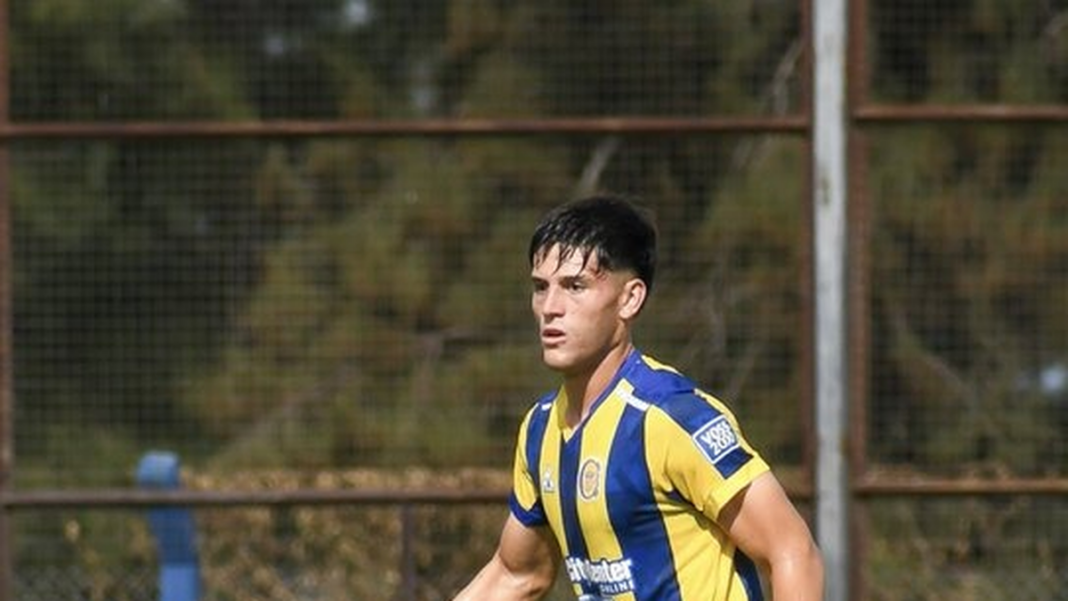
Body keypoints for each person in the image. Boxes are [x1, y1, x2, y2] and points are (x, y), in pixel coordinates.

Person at [452, 194, 824, 601]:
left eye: (575, 286)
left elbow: (793, 552)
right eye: (541, 288)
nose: (551, 308)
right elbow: (517, 575)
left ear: (630, 298)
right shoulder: (541, 430)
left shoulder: (673, 417)